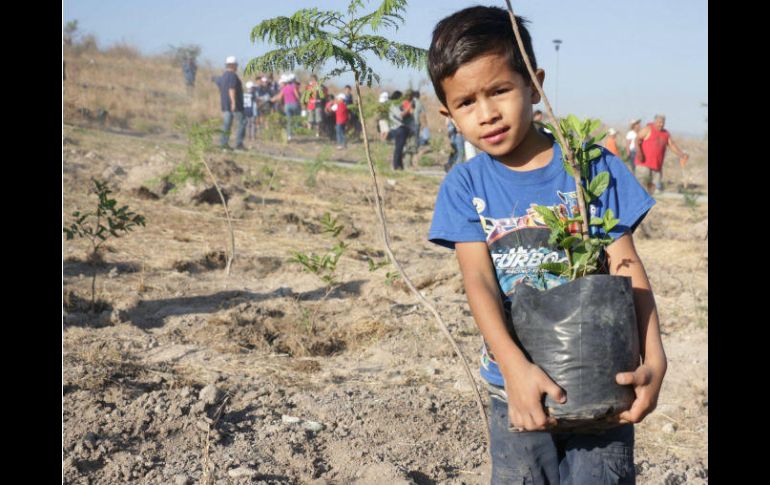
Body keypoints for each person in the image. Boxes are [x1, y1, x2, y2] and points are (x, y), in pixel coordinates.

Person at [425, 6, 666, 484]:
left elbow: (625, 264)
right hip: (514, 387)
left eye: (499, 91)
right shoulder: (463, 186)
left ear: (534, 85)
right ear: (448, 113)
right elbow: (480, 283)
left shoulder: (589, 167)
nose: (487, 113)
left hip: (603, 385)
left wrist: (655, 357)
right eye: (467, 102)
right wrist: (514, 371)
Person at [634, 114, 689, 194]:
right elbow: (637, 140)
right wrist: (639, 152)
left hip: (656, 166)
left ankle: (648, 204)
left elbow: (671, 144)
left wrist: (681, 154)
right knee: (641, 185)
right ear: (655, 122)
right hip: (643, 164)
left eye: (663, 122)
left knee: (652, 188)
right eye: (659, 122)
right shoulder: (648, 129)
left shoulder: (665, 134)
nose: (661, 124)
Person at [217, 56, 246, 150]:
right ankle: (239, 144)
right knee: (242, 122)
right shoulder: (233, 76)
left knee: (227, 124)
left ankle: (223, 144)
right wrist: (233, 102)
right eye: (236, 65)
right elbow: (231, 89)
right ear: (233, 65)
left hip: (225, 104)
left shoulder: (223, 75)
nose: (237, 66)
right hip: (235, 105)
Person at [272, 74, 301, 141]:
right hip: (294, 104)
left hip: (287, 106)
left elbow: (279, 97)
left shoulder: (284, 88)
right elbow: (297, 96)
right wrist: (299, 101)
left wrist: (281, 104)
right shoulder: (293, 87)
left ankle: (289, 136)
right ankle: (297, 127)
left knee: (289, 120)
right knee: (297, 116)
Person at [386, 90, 410, 170]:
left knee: (399, 148)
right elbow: (401, 116)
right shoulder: (394, 106)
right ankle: (396, 166)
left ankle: (400, 166)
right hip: (398, 129)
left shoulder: (394, 105)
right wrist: (408, 109)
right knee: (398, 149)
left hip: (396, 129)